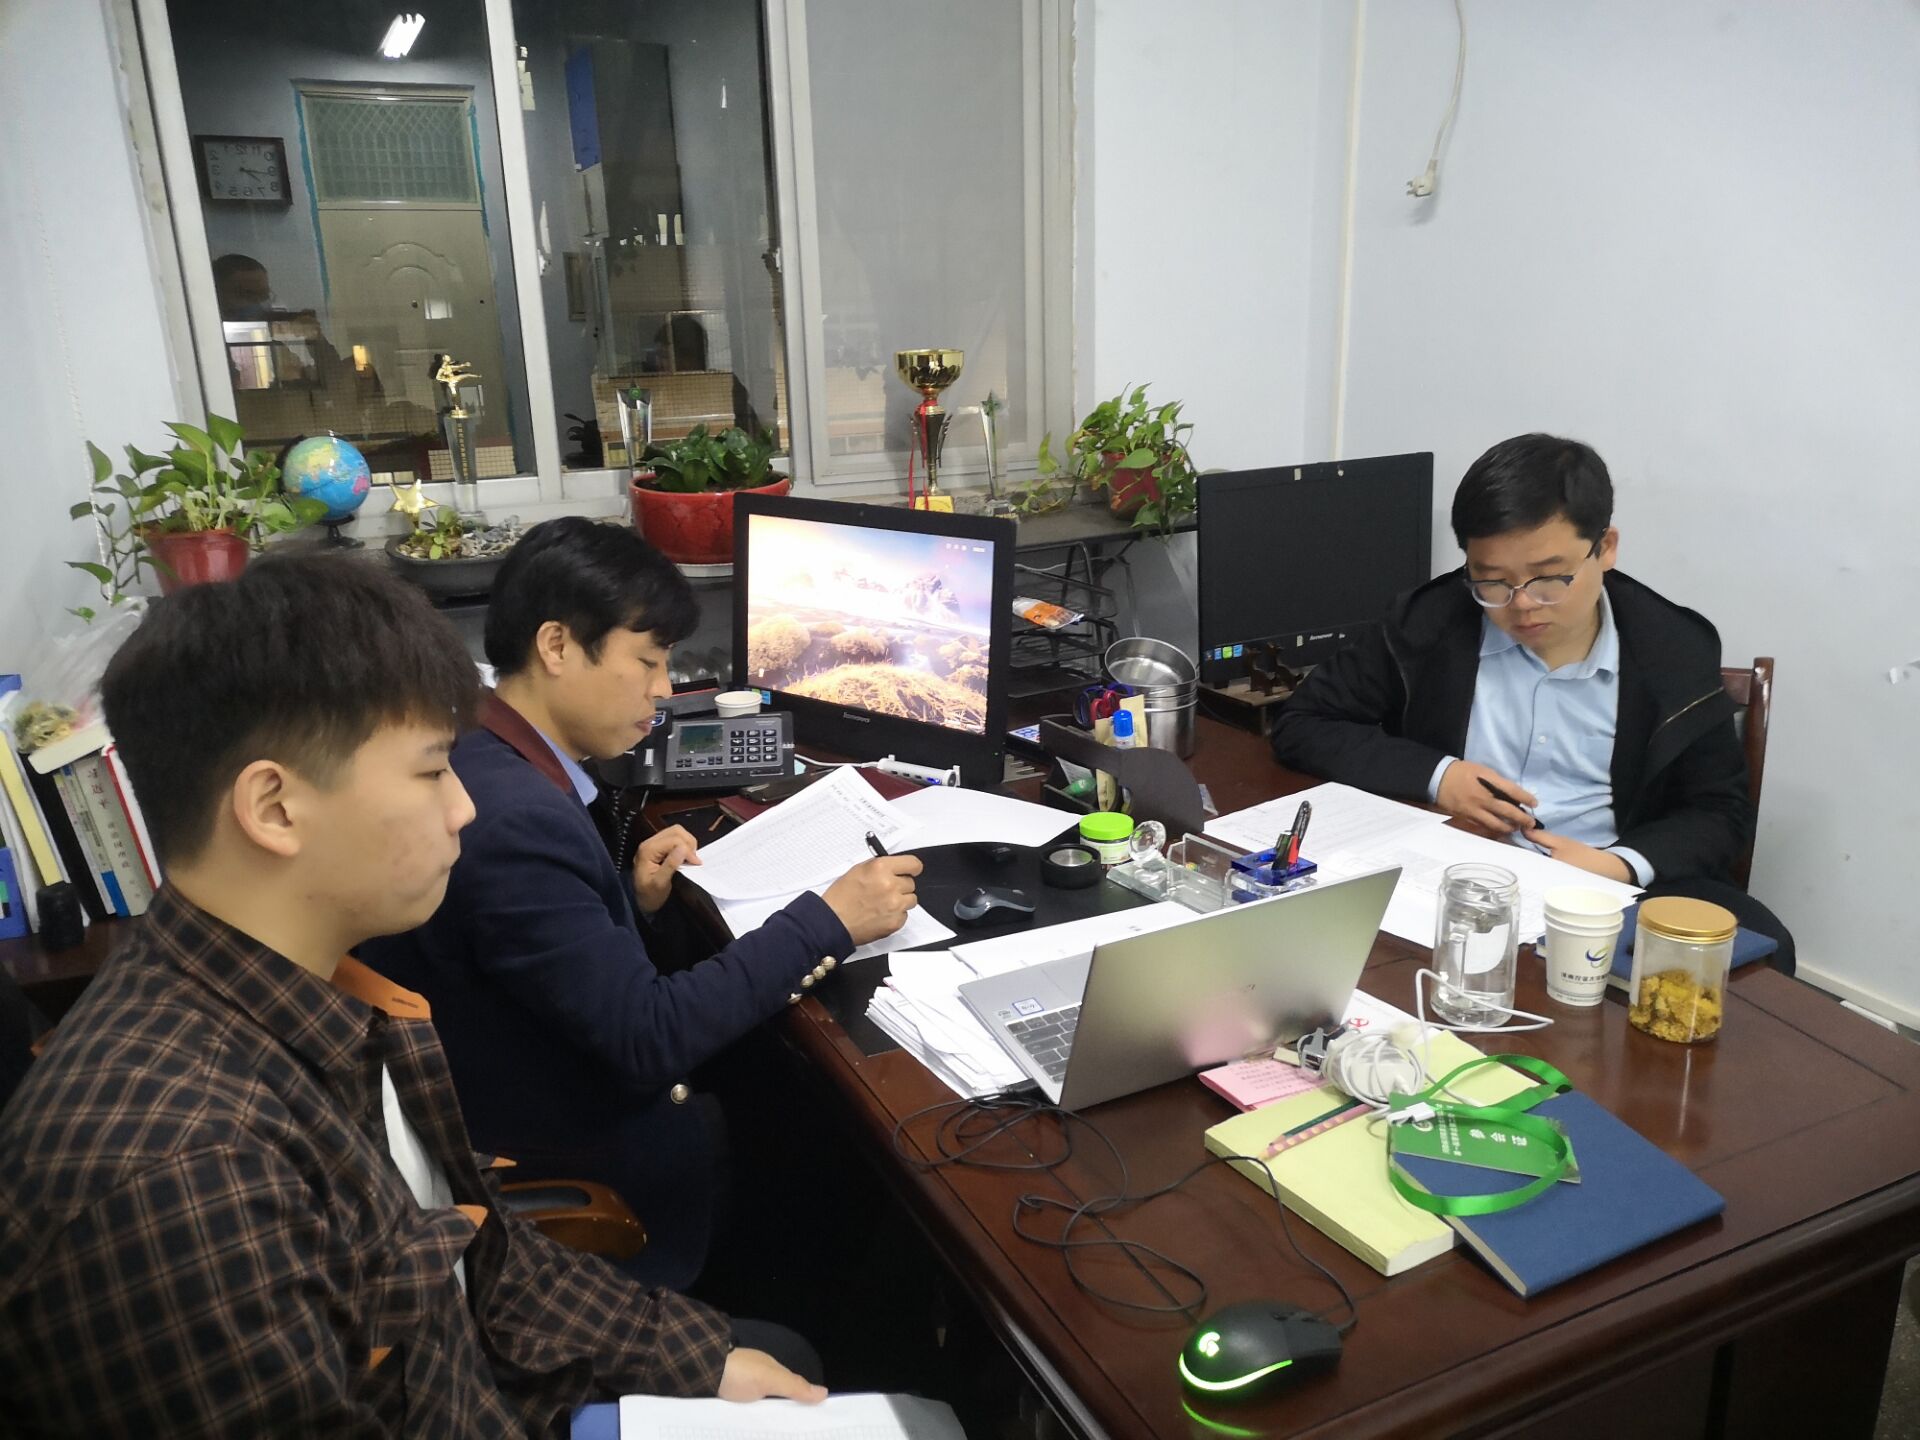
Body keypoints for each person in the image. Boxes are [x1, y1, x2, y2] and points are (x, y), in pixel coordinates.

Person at [0, 557, 824, 1433]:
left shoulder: (332, 997)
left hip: (465, 1376)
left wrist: (693, 1355)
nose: (465, 809)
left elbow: (474, 1256)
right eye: (433, 772)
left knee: (776, 1360)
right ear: (274, 808)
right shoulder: (182, 1180)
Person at [359, 518, 922, 1288]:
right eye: (648, 660)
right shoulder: (515, 819)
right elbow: (649, 1036)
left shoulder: (486, 749)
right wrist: (829, 919)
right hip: (603, 1174)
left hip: (543, 1086)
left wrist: (635, 904)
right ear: (557, 647)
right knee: (855, 1144)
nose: (663, 689)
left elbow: (543, 957)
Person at [1269, 432, 1793, 972]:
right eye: (1492, 582)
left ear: (1605, 547)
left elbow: (1719, 811)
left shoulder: (1672, 647)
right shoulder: (1428, 622)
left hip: (1602, 884)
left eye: (1549, 578)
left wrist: (1618, 865)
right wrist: (1438, 776)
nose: (1521, 606)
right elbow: (1304, 722)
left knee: (1765, 947)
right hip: (1453, 874)